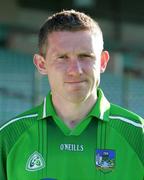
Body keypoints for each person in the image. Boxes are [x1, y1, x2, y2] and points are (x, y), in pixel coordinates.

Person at [0, 9, 144, 180]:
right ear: (41, 64)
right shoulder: (9, 137)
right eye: (62, 57)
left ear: (103, 62)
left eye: (85, 56)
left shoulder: (138, 136)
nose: (75, 70)